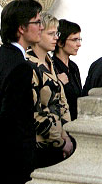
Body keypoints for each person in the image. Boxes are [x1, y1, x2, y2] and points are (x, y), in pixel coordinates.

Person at [0, 0, 41, 184]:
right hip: (9, 160)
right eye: (37, 22)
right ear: (22, 28)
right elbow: (12, 118)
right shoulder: (20, 66)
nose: (41, 27)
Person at [26, 13, 74, 168]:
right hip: (41, 144)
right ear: (38, 34)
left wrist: (67, 135)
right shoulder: (29, 65)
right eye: (51, 34)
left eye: (57, 33)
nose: (56, 38)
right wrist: (60, 141)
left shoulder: (50, 62)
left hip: (60, 140)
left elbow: (62, 101)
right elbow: (35, 111)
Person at [52, 19, 82, 121]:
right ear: (60, 42)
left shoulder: (73, 67)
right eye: (74, 40)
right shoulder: (51, 66)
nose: (79, 44)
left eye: (79, 39)